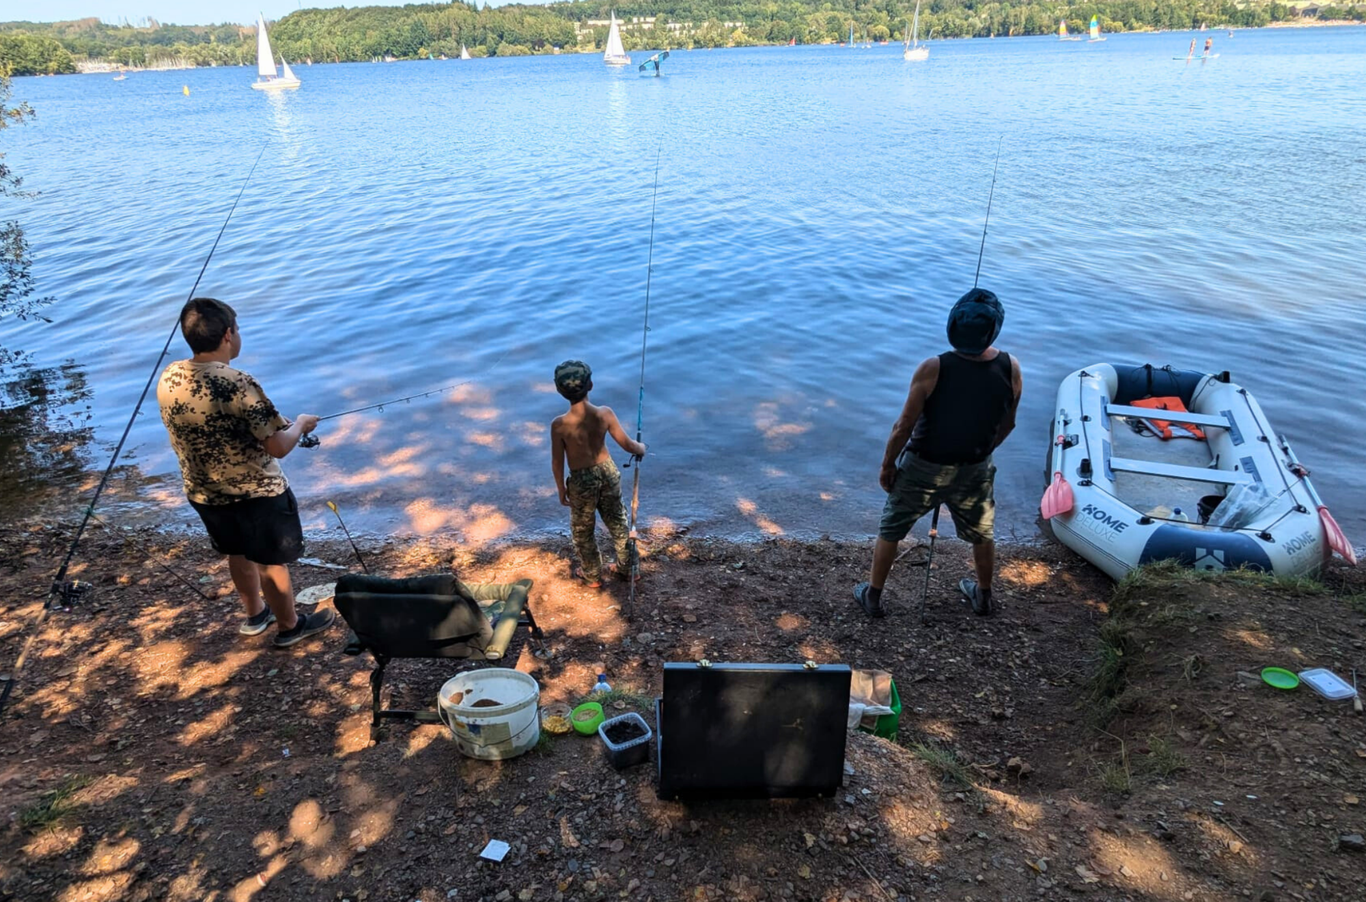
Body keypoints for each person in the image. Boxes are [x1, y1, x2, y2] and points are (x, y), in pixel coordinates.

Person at [157, 297, 335, 647]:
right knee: (270, 560)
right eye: (238, 330)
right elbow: (278, 447)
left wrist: (280, 424)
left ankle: (255, 615)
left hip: (204, 492)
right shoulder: (237, 382)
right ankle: (289, 626)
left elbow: (221, 422)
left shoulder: (170, 375)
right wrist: (299, 424)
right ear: (228, 335)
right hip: (255, 494)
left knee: (238, 552)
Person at [853, 288, 1022, 619]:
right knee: (982, 531)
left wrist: (888, 465)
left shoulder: (933, 368)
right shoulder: (1011, 367)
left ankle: (873, 596)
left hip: (923, 467)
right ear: (994, 330)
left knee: (891, 527)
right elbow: (1009, 424)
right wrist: (982, 452)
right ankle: (984, 596)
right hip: (975, 468)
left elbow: (903, 426)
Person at [550, 360, 647, 589]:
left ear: (558, 391)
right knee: (617, 522)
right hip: (607, 472)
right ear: (591, 385)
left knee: (583, 529)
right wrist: (641, 449)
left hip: (581, 481)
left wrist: (561, 490)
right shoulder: (605, 414)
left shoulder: (559, 425)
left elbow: (557, 462)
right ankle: (629, 569)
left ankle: (592, 574)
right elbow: (627, 445)